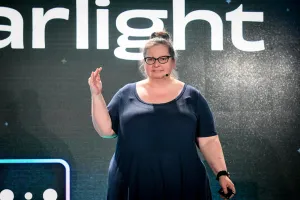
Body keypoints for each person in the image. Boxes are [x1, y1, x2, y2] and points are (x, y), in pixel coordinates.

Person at [88, 31, 236, 200]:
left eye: (162, 59)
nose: (156, 64)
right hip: (132, 182)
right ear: (144, 63)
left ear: (173, 62)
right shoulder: (125, 94)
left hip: (184, 183)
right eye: (150, 59)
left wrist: (222, 174)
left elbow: (208, 140)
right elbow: (106, 131)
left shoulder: (192, 97)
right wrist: (96, 94)